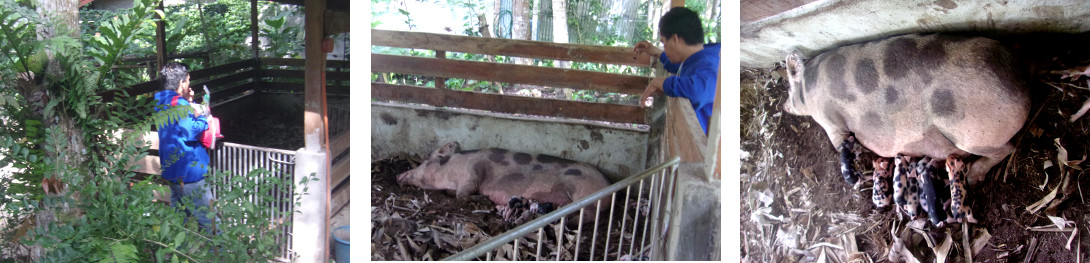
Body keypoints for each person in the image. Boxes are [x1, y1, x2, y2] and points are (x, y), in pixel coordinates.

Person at [633, 6, 720, 135]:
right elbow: (680, 67)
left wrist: (663, 83)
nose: (664, 48)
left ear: (675, 39)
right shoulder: (697, 59)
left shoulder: (709, 64)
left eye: (664, 43)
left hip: (703, 149)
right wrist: (657, 53)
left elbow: (699, 91)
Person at [155, 62, 219, 235]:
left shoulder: (161, 101)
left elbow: (177, 124)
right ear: (181, 83)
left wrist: (188, 102)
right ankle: (220, 254)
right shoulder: (179, 104)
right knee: (210, 221)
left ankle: (175, 254)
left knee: (179, 220)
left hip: (172, 172)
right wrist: (203, 118)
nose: (189, 84)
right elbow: (191, 131)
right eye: (188, 80)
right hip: (189, 173)